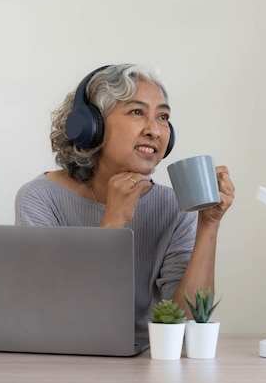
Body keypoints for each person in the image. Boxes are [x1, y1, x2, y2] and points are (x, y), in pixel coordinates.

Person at [15, 64, 235, 332]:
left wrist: (209, 224)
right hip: (65, 359)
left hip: (145, 362)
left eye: (163, 117)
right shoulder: (41, 197)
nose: (155, 130)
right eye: (137, 112)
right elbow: (50, 310)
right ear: (91, 126)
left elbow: (187, 323)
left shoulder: (175, 207)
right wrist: (113, 220)